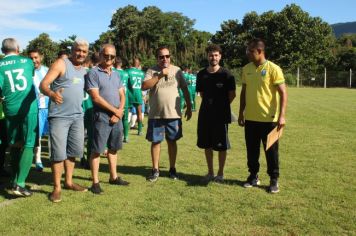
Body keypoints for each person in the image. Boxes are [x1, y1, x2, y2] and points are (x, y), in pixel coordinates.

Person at [40, 39, 89, 203]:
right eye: (78, 50)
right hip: (59, 117)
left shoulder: (84, 70)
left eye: (84, 51)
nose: (80, 53)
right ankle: (56, 188)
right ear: (72, 50)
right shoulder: (61, 63)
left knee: (73, 152)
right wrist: (52, 94)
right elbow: (43, 85)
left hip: (77, 116)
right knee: (58, 153)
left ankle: (68, 182)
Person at [238, 38, 287, 193]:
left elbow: (283, 93)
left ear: (259, 51)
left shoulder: (273, 69)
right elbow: (244, 92)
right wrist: (241, 112)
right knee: (252, 151)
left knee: (271, 152)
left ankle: (273, 179)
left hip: (269, 120)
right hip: (251, 119)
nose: (247, 53)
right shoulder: (246, 69)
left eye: (250, 51)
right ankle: (253, 176)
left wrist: (282, 115)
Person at [142, 46, 192, 182]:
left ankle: (172, 169)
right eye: (161, 57)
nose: (165, 59)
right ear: (157, 58)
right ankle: (155, 170)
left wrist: (189, 106)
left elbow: (185, 89)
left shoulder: (177, 70)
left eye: (167, 56)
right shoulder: (151, 70)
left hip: (173, 114)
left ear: (170, 57)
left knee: (172, 141)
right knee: (156, 142)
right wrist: (159, 75)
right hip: (156, 114)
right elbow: (144, 86)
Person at [85, 44, 129, 194]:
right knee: (97, 149)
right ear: (101, 55)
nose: (109, 58)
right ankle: (95, 182)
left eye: (112, 56)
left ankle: (113, 177)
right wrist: (115, 111)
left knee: (113, 148)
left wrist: (119, 111)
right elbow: (96, 98)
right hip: (101, 116)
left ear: (115, 57)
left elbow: (122, 94)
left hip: (117, 116)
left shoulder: (116, 74)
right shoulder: (93, 73)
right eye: (106, 55)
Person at [0, 38, 38, 197]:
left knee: (14, 144)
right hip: (28, 107)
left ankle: (14, 179)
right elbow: (30, 75)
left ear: (2, 51)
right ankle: (20, 184)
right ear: (18, 48)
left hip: (10, 108)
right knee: (29, 143)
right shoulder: (27, 61)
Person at [196, 44, 236, 183]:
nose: (213, 57)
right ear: (207, 56)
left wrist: (221, 107)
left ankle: (220, 173)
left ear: (220, 56)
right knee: (207, 144)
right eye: (211, 55)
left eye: (216, 55)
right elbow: (201, 93)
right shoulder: (201, 74)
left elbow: (232, 95)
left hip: (221, 116)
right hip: (205, 115)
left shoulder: (226, 74)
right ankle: (210, 172)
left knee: (221, 145)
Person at [29, 49, 50, 172]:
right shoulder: (27, 72)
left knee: (52, 135)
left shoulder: (47, 71)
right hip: (35, 109)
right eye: (31, 58)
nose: (34, 60)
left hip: (48, 107)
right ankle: (38, 160)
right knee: (37, 137)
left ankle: (53, 158)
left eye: (36, 57)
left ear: (40, 57)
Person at [126, 58, 145, 136]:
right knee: (139, 113)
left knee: (127, 114)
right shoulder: (142, 73)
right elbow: (143, 85)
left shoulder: (128, 71)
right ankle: (140, 131)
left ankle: (125, 133)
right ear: (138, 64)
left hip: (129, 95)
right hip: (138, 95)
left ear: (132, 63)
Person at [113, 58, 130, 143]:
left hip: (115, 99)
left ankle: (113, 139)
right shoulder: (126, 73)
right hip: (125, 99)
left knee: (112, 119)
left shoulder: (113, 72)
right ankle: (126, 137)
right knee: (125, 119)